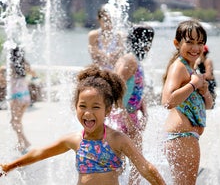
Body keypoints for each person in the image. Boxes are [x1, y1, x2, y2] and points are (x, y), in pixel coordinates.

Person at [0, 65, 166, 185]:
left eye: (96, 107)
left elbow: (146, 168)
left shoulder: (117, 139)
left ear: (107, 110)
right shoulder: (74, 140)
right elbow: (40, 153)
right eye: (82, 106)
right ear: (76, 107)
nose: (88, 113)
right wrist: (10, 165)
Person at [161, 20, 213, 185]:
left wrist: (204, 91)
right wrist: (193, 85)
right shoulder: (179, 67)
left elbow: (208, 106)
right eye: (189, 42)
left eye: (200, 43)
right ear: (177, 43)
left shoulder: (191, 69)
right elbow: (167, 101)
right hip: (182, 137)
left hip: (185, 137)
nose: (195, 48)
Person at [113, 25, 155, 185]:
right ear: (142, 41)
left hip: (129, 115)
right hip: (122, 118)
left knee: (125, 163)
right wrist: (128, 121)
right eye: (148, 41)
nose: (149, 46)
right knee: (136, 163)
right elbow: (115, 90)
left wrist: (144, 111)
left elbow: (136, 87)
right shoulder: (129, 60)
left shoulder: (133, 59)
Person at [9, 46, 32, 154]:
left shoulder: (11, 66)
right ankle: (20, 143)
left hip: (17, 97)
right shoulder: (25, 64)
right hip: (25, 96)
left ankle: (25, 142)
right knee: (17, 121)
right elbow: (33, 74)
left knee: (14, 121)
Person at [88, 4, 125, 70]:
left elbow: (120, 57)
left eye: (111, 21)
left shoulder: (119, 35)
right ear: (99, 19)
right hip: (99, 70)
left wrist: (102, 55)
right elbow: (94, 57)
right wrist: (109, 57)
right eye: (105, 21)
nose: (108, 24)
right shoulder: (93, 35)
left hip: (115, 71)